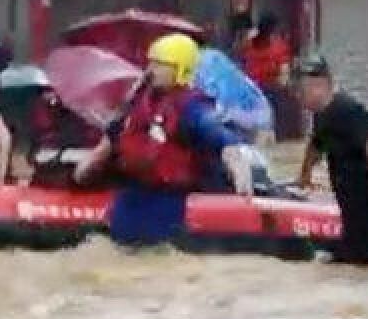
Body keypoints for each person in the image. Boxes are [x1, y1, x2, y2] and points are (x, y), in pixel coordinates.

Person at [73, 33, 254, 247]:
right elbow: (111, 141)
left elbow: (225, 141)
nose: (151, 70)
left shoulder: (192, 108)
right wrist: (82, 172)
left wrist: (241, 173)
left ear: (179, 69)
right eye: (151, 63)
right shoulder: (136, 102)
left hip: (170, 200)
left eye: (160, 65)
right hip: (132, 196)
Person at [294, 53, 368, 267]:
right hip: (351, 206)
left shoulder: (347, 110)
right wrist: (304, 176)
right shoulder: (322, 115)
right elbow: (315, 147)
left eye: (300, 91)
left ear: (319, 85)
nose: (297, 97)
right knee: (341, 263)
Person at [237, 11, 294, 142]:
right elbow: (284, 73)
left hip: (261, 91)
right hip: (257, 91)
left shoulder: (275, 46)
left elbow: (283, 72)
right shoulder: (250, 45)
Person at [29, 88, 102, 187]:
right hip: (52, 160)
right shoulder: (45, 104)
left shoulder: (95, 103)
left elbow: (99, 135)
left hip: (87, 158)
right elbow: (41, 136)